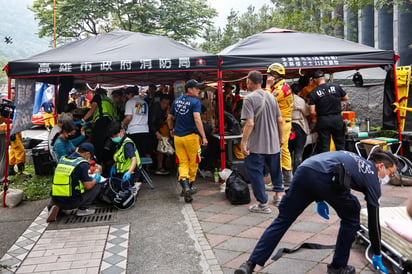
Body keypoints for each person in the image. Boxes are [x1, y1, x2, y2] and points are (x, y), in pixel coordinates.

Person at [235, 149, 396, 274]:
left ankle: (250, 264)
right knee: (352, 214)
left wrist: (319, 198)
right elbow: (374, 221)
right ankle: (338, 267)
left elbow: (326, 166)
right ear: (381, 166)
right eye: (390, 173)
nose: (389, 177)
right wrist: (377, 252)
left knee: (283, 220)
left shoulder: (355, 158)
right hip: (322, 177)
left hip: (304, 170)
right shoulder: (372, 177)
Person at [240, 71, 284, 213]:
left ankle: (263, 204)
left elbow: (250, 123)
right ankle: (278, 196)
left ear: (249, 81)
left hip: (256, 145)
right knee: (276, 171)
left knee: (256, 173)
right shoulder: (272, 97)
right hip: (273, 143)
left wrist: (243, 143)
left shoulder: (249, 99)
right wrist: (281, 138)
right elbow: (280, 120)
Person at [167, 79, 208, 203]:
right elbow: (197, 118)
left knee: (183, 163)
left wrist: (171, 130)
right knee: (194, 162)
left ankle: (185, 187)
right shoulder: (195, 102)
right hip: (191, 137)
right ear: (189, 89)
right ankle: (189, 187)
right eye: (196, 88)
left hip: (178, 137)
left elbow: (169, 117)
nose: (198, 90)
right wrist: (204, 136)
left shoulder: (177, 101)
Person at [47, 142, 102, 222]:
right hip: (72, 202)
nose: (89, 158)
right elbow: (88, 186)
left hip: (55, 198)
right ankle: (82, 209)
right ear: (87, 153)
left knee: (66, 185)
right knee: (97, 184)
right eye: (90, 156)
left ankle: (55, 206)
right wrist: (97, 178)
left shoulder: (63, 159)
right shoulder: (82, 164)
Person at [266, 63, 294, 187]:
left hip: (281, 124)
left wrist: (267, 86)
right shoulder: (281, 87)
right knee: (284, 150)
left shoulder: (280, 89)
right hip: (283, 122)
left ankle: (278, 181)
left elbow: (266, 101)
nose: (267, 78)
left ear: (275, 75)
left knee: (278, 151)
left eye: (269, 75)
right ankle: (287, 179)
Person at [308, 70, 349, 153]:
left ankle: (327, 165)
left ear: (315, 80)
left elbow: (312, 112)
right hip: (337, 118)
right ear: (324, 78)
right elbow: (346, 98)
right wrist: (335, 99)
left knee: (325, 145)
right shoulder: (336, 86)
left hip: (323, 120)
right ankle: (342, 163)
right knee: (340, 144)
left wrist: (321, 112)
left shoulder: (313, 93)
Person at [82, 88, 117, 164]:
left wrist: (83, 120)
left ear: (96, 93)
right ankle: (105, 165)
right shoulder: (110, 100)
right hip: (110, 125)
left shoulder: (98, 97)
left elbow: (92, 110)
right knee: (106, 146)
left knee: (97, 146)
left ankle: (97, 165)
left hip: (101, 123)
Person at [122, 86, 151, 158]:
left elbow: (129, 117)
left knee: (134, 153)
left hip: (134, 131)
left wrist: (122, 124)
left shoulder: (130, 102)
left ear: (130, 94)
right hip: (145, 130)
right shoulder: (144, 102)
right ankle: (143, 169)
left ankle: (135, 168)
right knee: (142, 153)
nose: (126, 97)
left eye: (127, 95)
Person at [8, 87, 30, 177]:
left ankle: (10, 169)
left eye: (15, 94)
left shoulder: (16, 105)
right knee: (20, 150)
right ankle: (21, 171)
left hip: (17, 130)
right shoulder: (7, 106)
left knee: (14, 150)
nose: (14, 95)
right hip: (11, 130)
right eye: (12, 93)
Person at [289, 84, 310, 173]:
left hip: (288, 126)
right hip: (299, 126)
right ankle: (297, 172)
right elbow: (307, 112)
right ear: (299, 92)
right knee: (299, 151)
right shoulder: (299, 100)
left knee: (288, 151)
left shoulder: (285, 99)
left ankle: (287, 173)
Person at [149, 94, 171, 175]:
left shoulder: (164, 109)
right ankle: (158, 167)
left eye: (167, 103)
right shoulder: (155, 108)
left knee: (161, 149)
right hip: (153, 132)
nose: (165, 105)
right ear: (160, 101)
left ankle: (159, 166)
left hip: (158, 131)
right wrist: (157, 133)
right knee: (159, 150)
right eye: (164, 103)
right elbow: (151, 122)